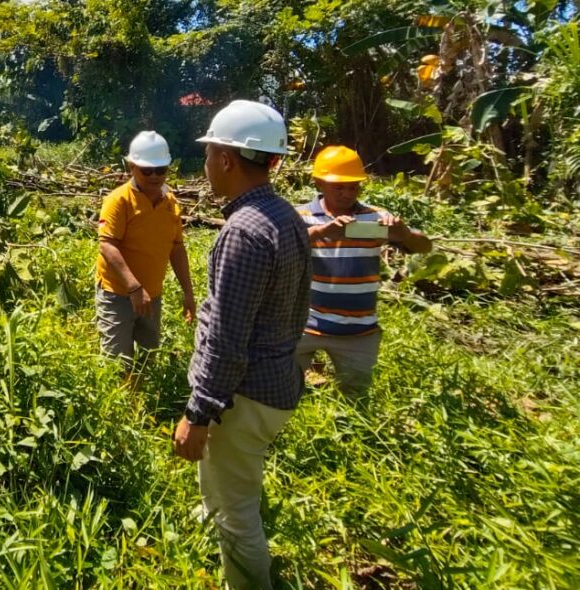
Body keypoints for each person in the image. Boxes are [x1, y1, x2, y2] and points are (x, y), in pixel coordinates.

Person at [172, 100, 311, 590]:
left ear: (227, 160)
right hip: (276, 382)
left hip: (244, 394)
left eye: (209, 153)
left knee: (239, 514)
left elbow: (228, 340)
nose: (206, 164)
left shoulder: (243, 232)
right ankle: (212, 534)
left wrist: (199, 412)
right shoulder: (286, 217)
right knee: (225, 486)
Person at [295, 145, 432, 396]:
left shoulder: (375, 217)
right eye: (339, 187)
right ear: (319, 183)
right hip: (304, 325)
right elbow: (280, 244)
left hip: (358, 330)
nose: (347, 194)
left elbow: (424, 246)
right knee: (282, 390)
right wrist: (322, 233)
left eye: (353, 186)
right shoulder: (301, 215)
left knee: (355, 397)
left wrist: (404, 234)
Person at [95, 130, 195, 383]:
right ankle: (119, 414)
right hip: (118, 293)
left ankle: (140, 404)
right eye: (146, 170)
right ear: (132, 167)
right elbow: (107, 245)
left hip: (152, 294)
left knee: (148, 356)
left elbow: (177, 248)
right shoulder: (118, 200)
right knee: (116, 361)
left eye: (160, 170)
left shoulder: (171, 203)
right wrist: (134, 287)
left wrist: (188, 292)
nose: (154, 176)